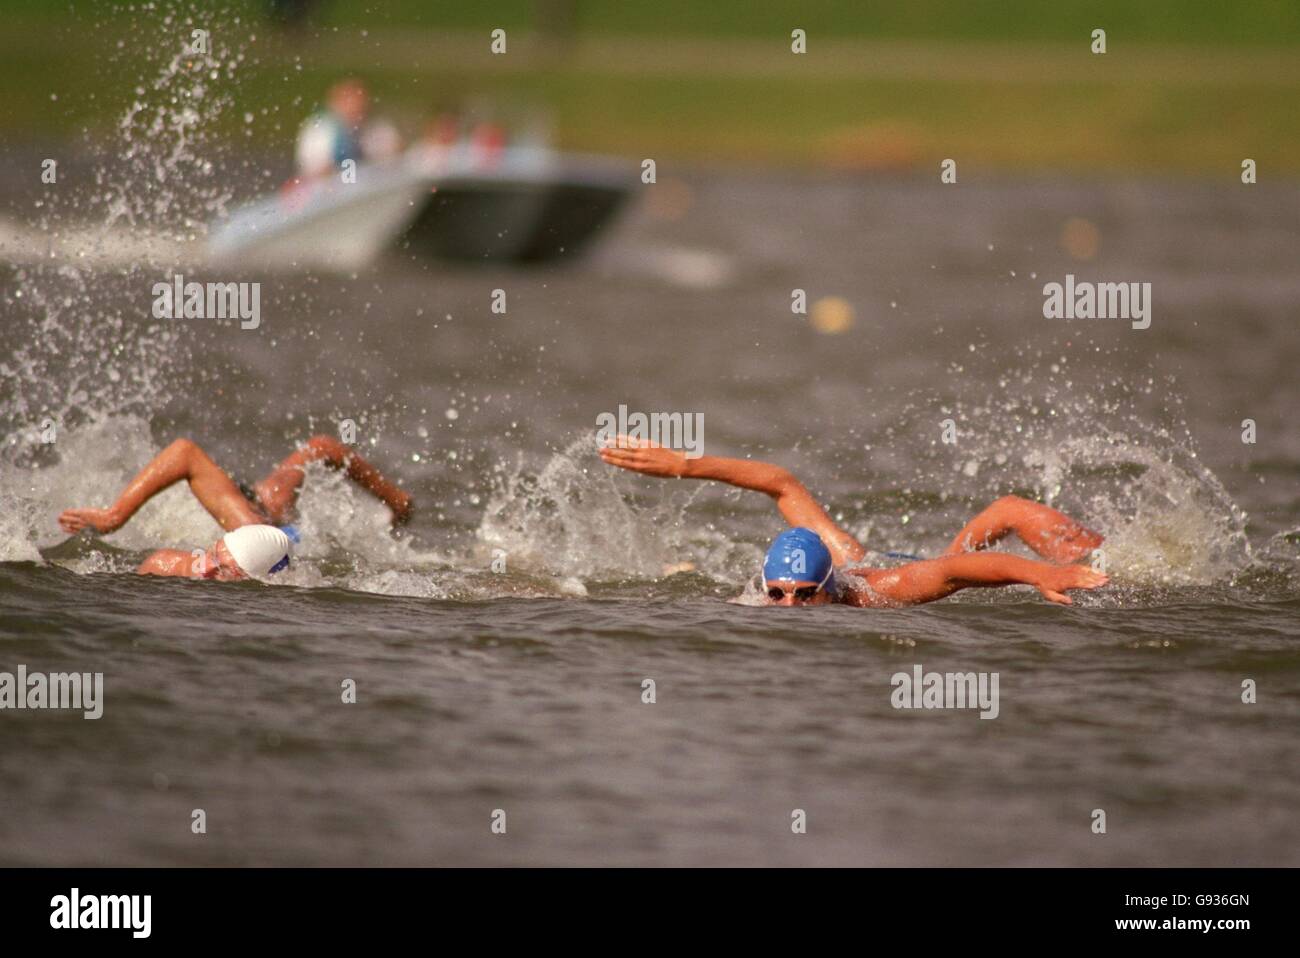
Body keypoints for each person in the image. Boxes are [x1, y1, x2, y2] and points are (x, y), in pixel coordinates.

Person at [598, 438, 1108, 608]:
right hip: (855, 557)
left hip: (909, 566)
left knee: (1009, 511)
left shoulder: (877, 590)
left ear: (828, 588)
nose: (790, 606)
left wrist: (1040, 573)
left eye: (803, 594)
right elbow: (782, 485)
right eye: (779, 594)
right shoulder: (761, 598)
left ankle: (1105, 562)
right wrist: (684, 466)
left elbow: (957, 572)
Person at [58, 435, 412, 579]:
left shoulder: (269, 511)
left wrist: (396, 501)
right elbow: (183, 451)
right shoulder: (248, 515)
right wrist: (113, 516)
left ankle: (400, 499)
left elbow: (324, 446)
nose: (210, 568)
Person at [295, 78, 401, 180]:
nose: (356, 108)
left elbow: (394, 156)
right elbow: (314, 171)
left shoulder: (375, 127)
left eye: (360, 103)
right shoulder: (320, 129)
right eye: (350, 102)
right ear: (335, 105)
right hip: (332, 188)